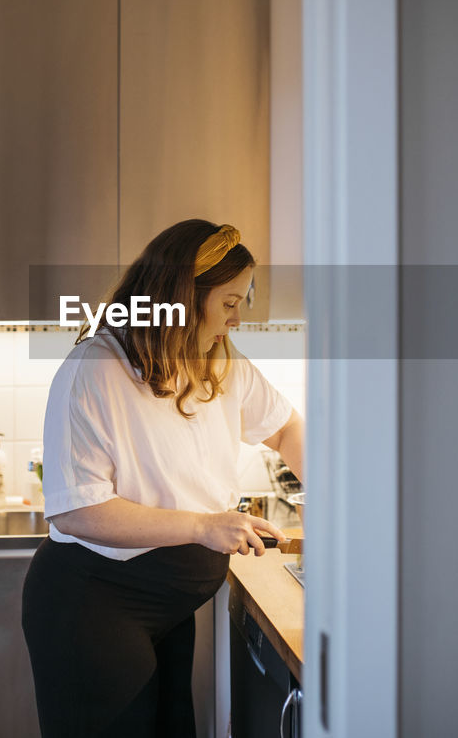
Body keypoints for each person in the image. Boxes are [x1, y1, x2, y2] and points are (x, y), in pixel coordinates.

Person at [22, 219, 305, 738]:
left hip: (167, 610)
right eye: (227, 303)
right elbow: (77, 510)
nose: (236, 318)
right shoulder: (95, 368)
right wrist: (202, 526)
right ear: (182, 295)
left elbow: (287, 428)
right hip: (93, 606)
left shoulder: (219, 360)